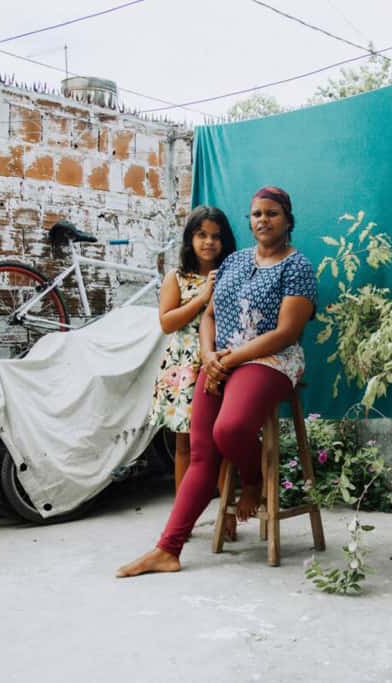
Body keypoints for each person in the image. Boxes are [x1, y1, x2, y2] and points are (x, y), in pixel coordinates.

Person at [118, 186, 316, 577]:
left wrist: (228, 358)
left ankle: (253, 480)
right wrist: (208, 357)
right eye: (257, 214)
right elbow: (208, 315)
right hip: (222, 360)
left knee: (231, 428)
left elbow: (287, 332)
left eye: (272, 213)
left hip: (272, 361)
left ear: (288, 220)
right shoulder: (235, 262)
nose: (263, 220)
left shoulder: (298, 267)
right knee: (202, 452)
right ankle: (168, 549)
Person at [148, 206, 237, 535]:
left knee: (223, 444)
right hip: (184, 368)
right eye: (201, 235)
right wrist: (202, 296)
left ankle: (226, 515)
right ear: (190, 239)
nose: (209, 242)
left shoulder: (234, 272)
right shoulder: (177, 277)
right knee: (184, 445)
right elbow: (166, 321)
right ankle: (183, 517)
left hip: (220, 364)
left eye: (216, 236)